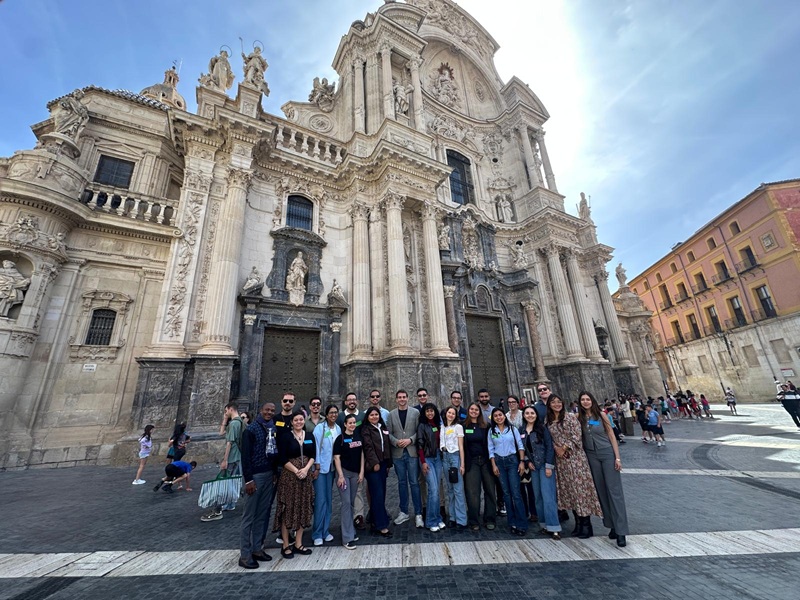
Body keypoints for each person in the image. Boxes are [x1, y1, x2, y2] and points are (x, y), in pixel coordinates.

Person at [546, 394, 603, 539]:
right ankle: (578, 524)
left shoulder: (571, 417)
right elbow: (547, 438)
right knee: (570, 491)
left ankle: (586, 525)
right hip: (561, 462)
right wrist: (555, 448)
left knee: (580, 491)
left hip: (575, 459)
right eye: (554, 402)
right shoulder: (549, 420)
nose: (557, 404)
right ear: (549, 405)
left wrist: (564, 448)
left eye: (559, 401)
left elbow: (577, 435)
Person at [578, 392, 629, 547]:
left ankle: (621, 531)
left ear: (592, 401)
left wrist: (617, 458)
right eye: (582, 400)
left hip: (607, 454)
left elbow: (612, 436)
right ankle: (612, 525)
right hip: (591, 456)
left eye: (588, 399)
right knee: (601, 491)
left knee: (614, 492)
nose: (585, 402)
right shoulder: (579, 418)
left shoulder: (601, 415)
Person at [238, 402, 278, 569]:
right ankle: (245, 555)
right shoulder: (251, 430)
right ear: (260, 411)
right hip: (255, 477)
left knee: (262, 514)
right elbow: (245, 457)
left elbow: (274, 451)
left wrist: (275, 472)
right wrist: (248, 480)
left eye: (272, 411)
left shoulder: (272, 428)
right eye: (266, 410)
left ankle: (257, 549)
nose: (269, 412)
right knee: (249, 516)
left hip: (269, 474)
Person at [275, 412, 316, 559]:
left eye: (301, 420)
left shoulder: (310, 436)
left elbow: (313, 455)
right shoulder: (286, 436)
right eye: (296, 420)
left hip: (305, 477)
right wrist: (297, 470)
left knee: (303, 507)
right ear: (291, 422)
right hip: (290, 477)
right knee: (288, 508)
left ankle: (298, 543)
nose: (299, 422)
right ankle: (285, 544)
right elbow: (282, 458)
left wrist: (305, 470)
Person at [520, 406, 561, 539]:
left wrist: (549, 466)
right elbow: (522, 449)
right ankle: (543, 524)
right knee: (537, 496)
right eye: (527, 413)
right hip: (533, 467)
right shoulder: (521, 430)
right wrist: (527, 462)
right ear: (524, 415)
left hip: (545, 465)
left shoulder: (542, 429)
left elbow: (549, 447)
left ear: (536, 415)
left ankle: (554, 527)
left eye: (532, 413)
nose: (530, 415)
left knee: (548, 496)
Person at [201, 403, 244, 522]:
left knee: (222, 482)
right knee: (234, 481)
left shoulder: (234, 423)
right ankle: (230, 504)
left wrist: (224, 460)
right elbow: (221, 433)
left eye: (226, 411)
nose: (225, 413)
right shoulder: (240, 422)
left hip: (231, 457)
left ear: (231, 409)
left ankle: (217, 510)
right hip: (238, 457)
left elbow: (229, 443)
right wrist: (225, 419)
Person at [387, 389, 423, 529]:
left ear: (408, 398)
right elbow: (388, 433)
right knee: (402, 482)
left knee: (414, 482)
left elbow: (419, 431)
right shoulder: (391, 414)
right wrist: (396, 441)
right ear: (396, 399)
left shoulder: (415, 413)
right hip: (398, 454)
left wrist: (410, 440)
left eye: (404, 397)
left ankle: (418, 513)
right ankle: (403, 512)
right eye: (399, 397)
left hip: (412, 451)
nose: (402, 399)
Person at [488, 408, 527, 536]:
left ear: (504, 416)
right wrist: (494, 465)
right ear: (493, 418)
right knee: (506, 493)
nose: (498, 417)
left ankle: (521, 523)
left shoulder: (512, 429)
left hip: (512, 461)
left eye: (500, 415)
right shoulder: (491, 431)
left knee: (516, 493)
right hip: (499, 461)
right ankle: (512, 522)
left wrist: (521, 461)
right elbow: (491, 449)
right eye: (496, 416)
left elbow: (520, 445)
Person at [462, 402, 496, 530]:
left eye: (476, 410)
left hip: (486, 461)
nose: (474, 411)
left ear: (480, 412)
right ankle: (474, 519)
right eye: (472, 409)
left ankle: (490, 518)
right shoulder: (463, 425)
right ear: (468, 411)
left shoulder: (486, 425)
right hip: (472, 461)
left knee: (490, 490)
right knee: (472, 492)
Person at [361, 407, 393, 538]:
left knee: (381, 493)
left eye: (376, 414)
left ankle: (374, 521)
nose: (374, 417)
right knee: (378, 494)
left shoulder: (383, 427)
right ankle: (382, 525)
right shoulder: (366, 429)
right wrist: (375, 463)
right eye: (371, 415)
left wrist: (388, 464)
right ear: (367, 417)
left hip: (383, 464)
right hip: (374, 465)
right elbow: (368, 447)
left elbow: (386, 446)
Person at [333, 414, 364, 550]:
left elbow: (362, 455)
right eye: (349, 423)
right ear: (345, 424)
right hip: (344, 474)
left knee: (351, 503)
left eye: (354, 423)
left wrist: (362, 472)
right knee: (346, 504)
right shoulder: (340, 439)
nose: (352, 425)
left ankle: (350, 530)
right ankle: (347, 538)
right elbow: (337, 458)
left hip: (355, 474)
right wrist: (340, 475)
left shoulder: (358, 437)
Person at [336, 392, 366, 529]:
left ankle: (358, 516)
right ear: (345, 402)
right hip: (345, 461)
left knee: (358, 491)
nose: (352, 402)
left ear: (357, 401)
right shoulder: (340, 416)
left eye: (354, 399)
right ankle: (348, 525)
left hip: (358, 456)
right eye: (349, 400)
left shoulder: (362, 416)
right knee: (347, 498)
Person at [312, 405, 340, 546]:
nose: (333, 415)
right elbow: (316, 447)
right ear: (326, 415)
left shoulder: (338, 428)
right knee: (320, 501)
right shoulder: (320, 428)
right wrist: (316, 465)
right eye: (331, 413)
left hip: (332, 469)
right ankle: (316, 532)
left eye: (335, 413)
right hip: (321, 468)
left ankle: (325, 530)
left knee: (329, 500)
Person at [417, 402, 445, 532]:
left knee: (437, 490)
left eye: (432, 411)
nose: (430, 413)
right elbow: (420, 444)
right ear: (424, 413)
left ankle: (438, 518)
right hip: (427, 459)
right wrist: (423, 462)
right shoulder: (422, 426)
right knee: (433, 489)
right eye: (427, 411)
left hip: (437, 458)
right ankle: (430, 521)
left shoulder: (439, 425)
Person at [440, 406, 467, 529]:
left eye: (453, 413)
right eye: (449, 412)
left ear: (456, 415)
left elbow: (461, 446)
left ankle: (461, 519)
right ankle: (452, 517)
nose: (450, 415)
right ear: (446, 414)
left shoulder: (458, 427)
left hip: (455, 457)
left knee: (458, 489)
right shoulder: (443, 427)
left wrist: (462, 464)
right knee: (450, 489)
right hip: (445, 457)